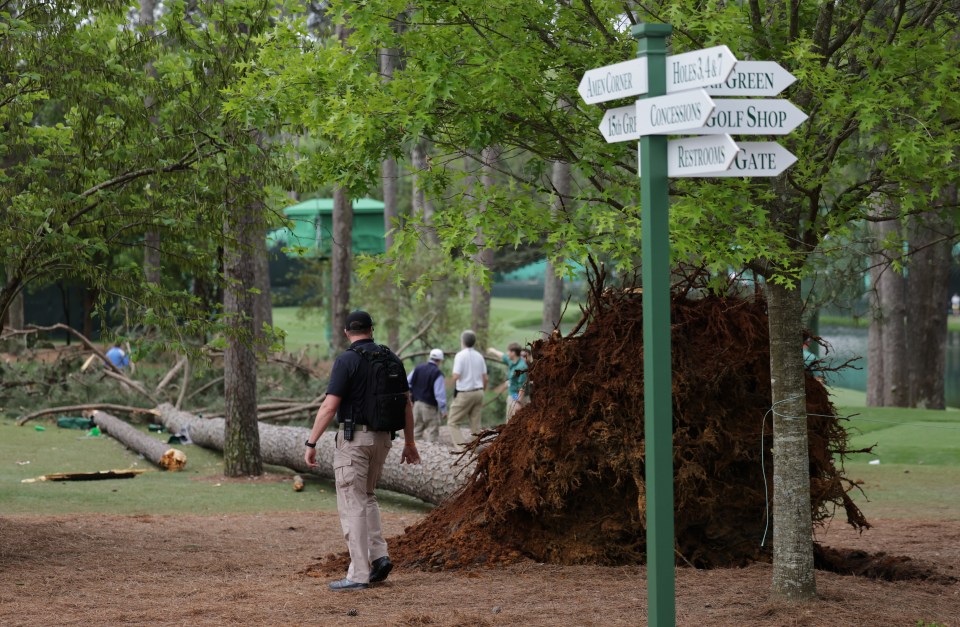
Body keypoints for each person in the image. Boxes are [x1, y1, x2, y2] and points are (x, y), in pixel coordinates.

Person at [303, 310, 421, 591]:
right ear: (371, 329)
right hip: (383, 440)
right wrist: (409, 443)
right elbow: (406, 404)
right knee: (367, 497)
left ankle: (358, 574)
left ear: (347, 332)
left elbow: (330, 406)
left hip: (354, 440)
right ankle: (379, 557)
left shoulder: (347, 360)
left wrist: (311, 442)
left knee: (352, 502)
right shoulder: (392, 358)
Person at [446, 330, 488, 448]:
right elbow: (485, 378)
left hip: (465, 393)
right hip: (479, 392)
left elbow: (456, 376)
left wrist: (448, 382)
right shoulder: (479, 356)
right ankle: (476, 447)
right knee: (475, 423)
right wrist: (482, 390)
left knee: (453, 422)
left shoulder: (460, 355)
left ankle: (461, 448)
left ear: (462, 341)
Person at [406, 348, 447, 443]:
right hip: (429, 407)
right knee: (432, 430)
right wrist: (444, 409)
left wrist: (411, 397)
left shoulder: (418, 368)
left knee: (416, 430)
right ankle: (431, 451)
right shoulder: (437, 373)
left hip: (416, 405)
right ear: (440, 360)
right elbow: (439, 394)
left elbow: (407, 382)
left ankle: (415, 451)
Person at [486, 342, 528, 421]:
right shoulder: (512, 361)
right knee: (509, 421)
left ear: (513, 353)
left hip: (518, 397)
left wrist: (518, 402)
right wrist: (493, 351)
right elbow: (503, 356)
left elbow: (522, 386)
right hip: (513, 395)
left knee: (514, 423)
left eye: (508, 351)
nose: (507, 353)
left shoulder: (521, 367)